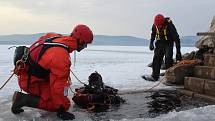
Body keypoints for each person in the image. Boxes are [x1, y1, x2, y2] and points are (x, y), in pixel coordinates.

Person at [11, 24, 93, 120]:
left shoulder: (55, 36)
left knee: (61, 98)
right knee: (64, 104)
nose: (85, 46)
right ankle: (22, 99)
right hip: (30, 82)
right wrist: (60, 110)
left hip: (27, 74)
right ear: (80, 41)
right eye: (85, 44)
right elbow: (57, 86)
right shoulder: (61, 56)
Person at [147, 14, 182, 81]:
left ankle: (169, 77)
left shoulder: (170, 26)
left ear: (163, 23)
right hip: (159, 43)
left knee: (168, 59)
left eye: (159, 25)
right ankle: (155, 76)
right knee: (156, 59)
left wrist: (178, 52)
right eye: (157, 25)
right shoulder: (155, 25)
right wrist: (151, 43)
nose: (158, 26)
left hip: (168, 43)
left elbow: (177, 39)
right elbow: (153, 34)